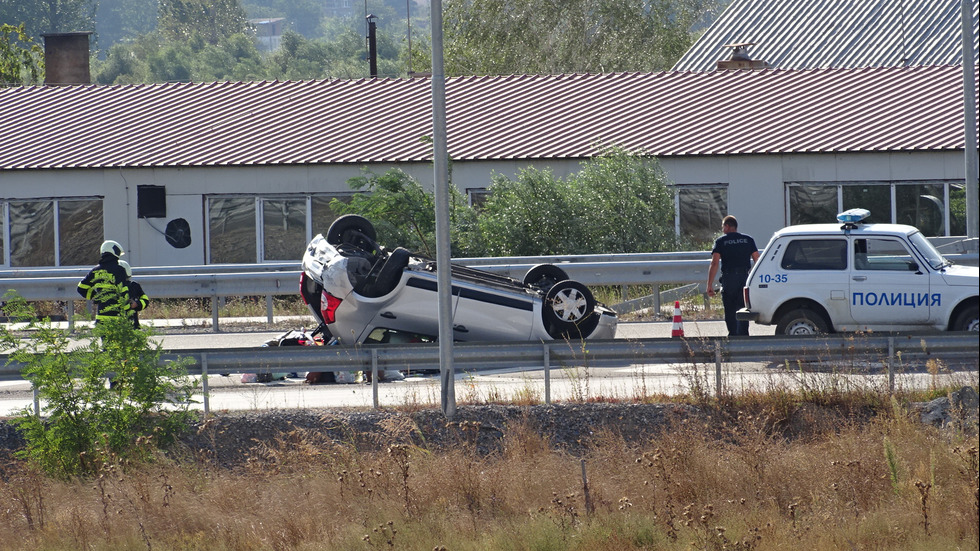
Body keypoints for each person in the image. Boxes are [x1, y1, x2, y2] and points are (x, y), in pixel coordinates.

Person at [707, 215, 759, 336]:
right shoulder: (748, 239)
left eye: (722, 227)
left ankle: (733, 335)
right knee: (743, 308)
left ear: (727, 226)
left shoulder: (721, 241)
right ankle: (744, 335)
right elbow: (757, 259)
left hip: (729, 279)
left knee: (730, 309)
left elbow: (714, 263)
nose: (722, 229)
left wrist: (709, 284)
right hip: (744, 278)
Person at [77, 240, 131, 324]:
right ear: (113, 252)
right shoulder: (119, 270)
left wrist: (95, 297)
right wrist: (128, 309)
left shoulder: (95, 270)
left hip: (101, 317)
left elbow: (81, 288)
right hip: (117, 318)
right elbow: (123, 291)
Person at [118, 260, 149, 328]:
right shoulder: (110, 287)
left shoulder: (134, 285)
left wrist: (137, 304)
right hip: (115, 323)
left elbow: (145, 300)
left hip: (132, 324)